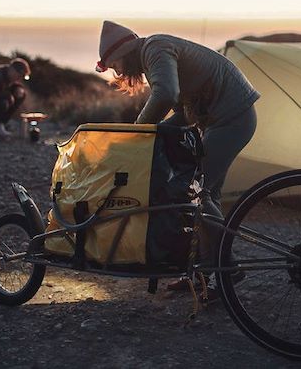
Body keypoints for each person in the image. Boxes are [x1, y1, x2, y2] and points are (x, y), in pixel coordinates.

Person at [96, 20, 259, 298]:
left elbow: (166, 95)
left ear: (124, 54)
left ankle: (228, 269)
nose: (117, 72)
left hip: (232, 118)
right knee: (207, 194)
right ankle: (206, 274)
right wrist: (151, 134)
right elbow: (183, 114)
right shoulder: (153, 55)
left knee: (195, 190)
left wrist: (140, 132)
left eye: (114, 65)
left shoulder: (155, 49)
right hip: (223, 119)